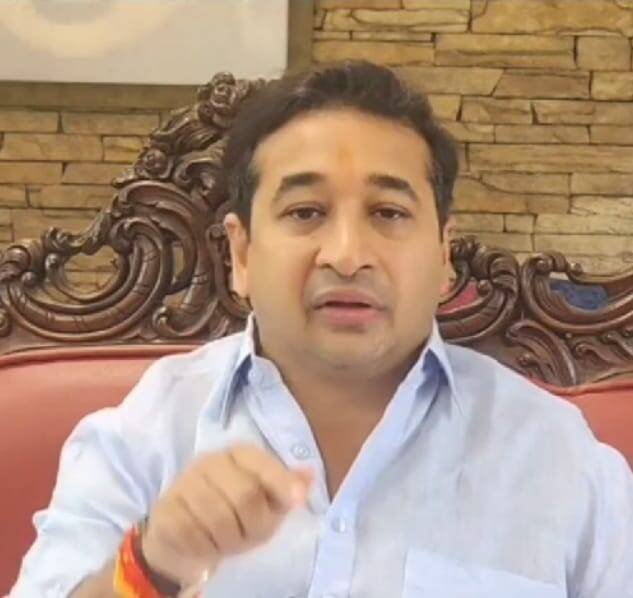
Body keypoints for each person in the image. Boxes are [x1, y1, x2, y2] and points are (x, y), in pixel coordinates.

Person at [10, 61, 633, 598]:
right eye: (306, 212)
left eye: (388, 212)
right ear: (242, 253)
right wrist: (153, 563)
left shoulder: (559, 458)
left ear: (444, 255)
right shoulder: (143, 438)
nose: (347, 254)